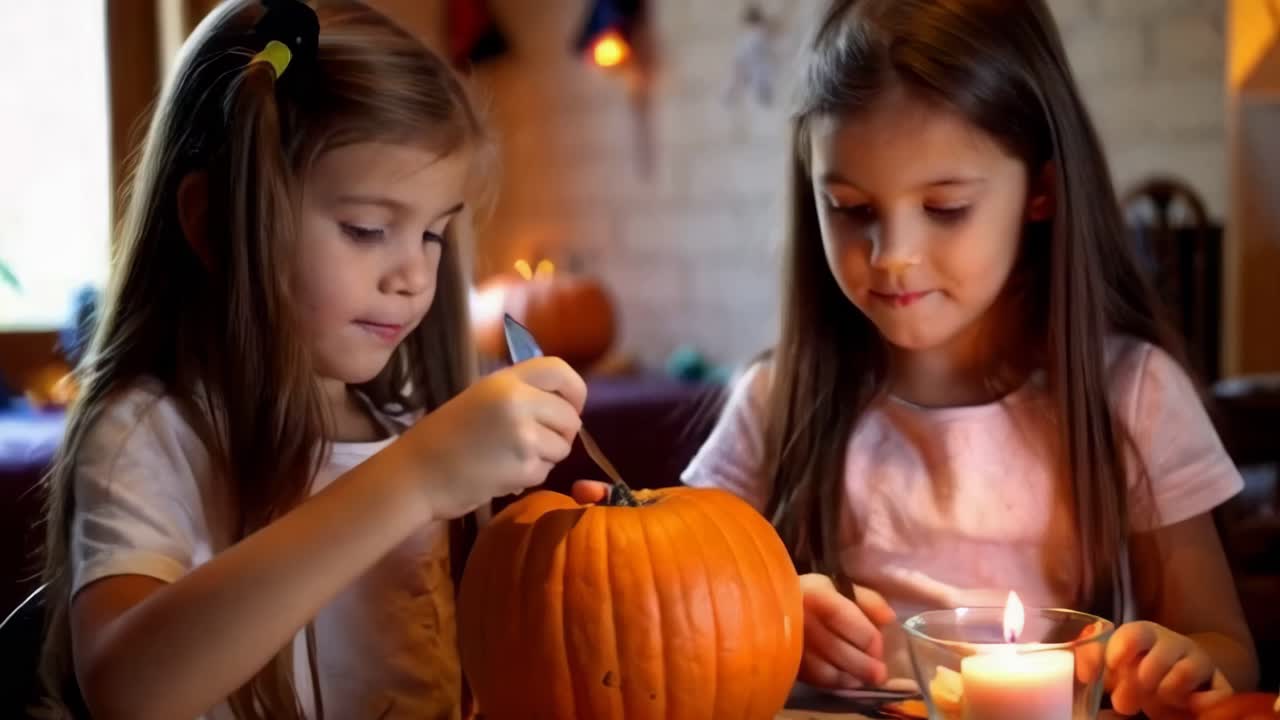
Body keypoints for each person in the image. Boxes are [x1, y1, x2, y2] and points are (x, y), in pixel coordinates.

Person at [579, 1, 1257, 716]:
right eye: (851, 208)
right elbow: (668, 626)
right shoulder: (775, 402)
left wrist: (1182, 666)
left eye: (945, 207)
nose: (892, 257)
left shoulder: (1133, 395)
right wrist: (767, 620)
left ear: (1041, 193)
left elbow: (1226, 648)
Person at [37, 2, 585, 718]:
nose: (414, 276)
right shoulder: (150, 433)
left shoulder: (406, 411)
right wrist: (417, 477)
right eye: (366, 229)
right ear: (214, 222)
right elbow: (128, 690)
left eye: (433, 233)